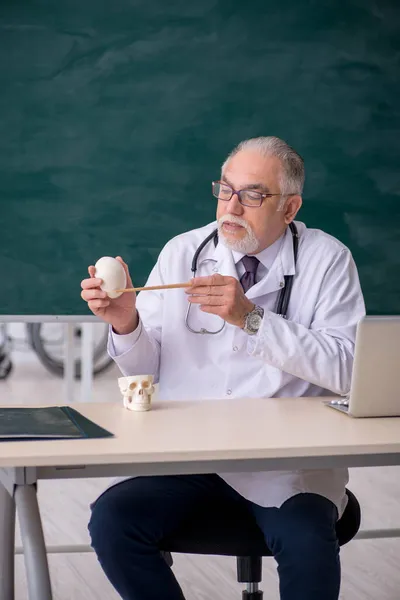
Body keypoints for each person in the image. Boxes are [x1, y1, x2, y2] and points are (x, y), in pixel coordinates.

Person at [80, 136, 365, 600]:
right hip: (188, 458)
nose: (232, 206)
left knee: (308, 543)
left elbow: (349, 368)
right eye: (225, 190)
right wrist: (126, 322)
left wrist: (252, 319)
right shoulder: (183, 251)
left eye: (253, 195)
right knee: (114, 522)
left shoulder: (327, 260)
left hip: (285, 465)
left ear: (289, 208)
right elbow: (144, 367)